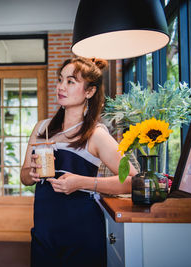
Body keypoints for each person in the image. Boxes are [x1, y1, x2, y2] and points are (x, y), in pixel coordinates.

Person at [20, 57, 138, 267]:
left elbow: (131, 180)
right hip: (44, 232)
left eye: (70, 81)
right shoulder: (42, 128)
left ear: (89, 92)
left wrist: (81, 182)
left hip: (82, 234)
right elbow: (24, 176)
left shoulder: (96, 135)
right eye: (60, 80)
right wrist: (32, 174)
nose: (61, 87)